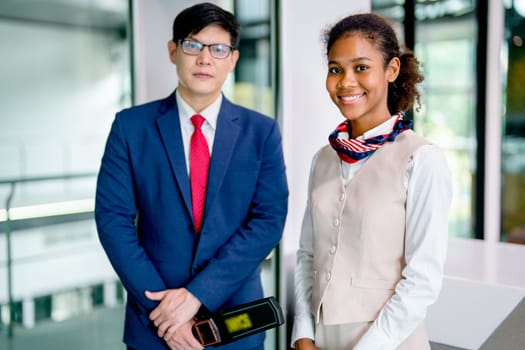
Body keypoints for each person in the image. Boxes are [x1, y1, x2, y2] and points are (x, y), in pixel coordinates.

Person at [95, 3, 288, 350]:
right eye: (193, 45)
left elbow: (268, 220)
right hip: (154, 322)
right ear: (173, 51)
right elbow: (113, 221)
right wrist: (165, 314)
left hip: (235, 322)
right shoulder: (130, 127)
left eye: (218, 49)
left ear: (233, 59)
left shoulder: (261, 132)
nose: (205, 59)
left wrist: (198, 294)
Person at [291, 13, 452, 350]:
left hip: (389, 342)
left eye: (361, 67)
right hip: (320, 340)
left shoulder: (421, 159)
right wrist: (303, 335)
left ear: (391, 70)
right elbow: (309, 256)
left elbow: (422, 280)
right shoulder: (323, 158)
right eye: (336, 69)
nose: (346, 82)